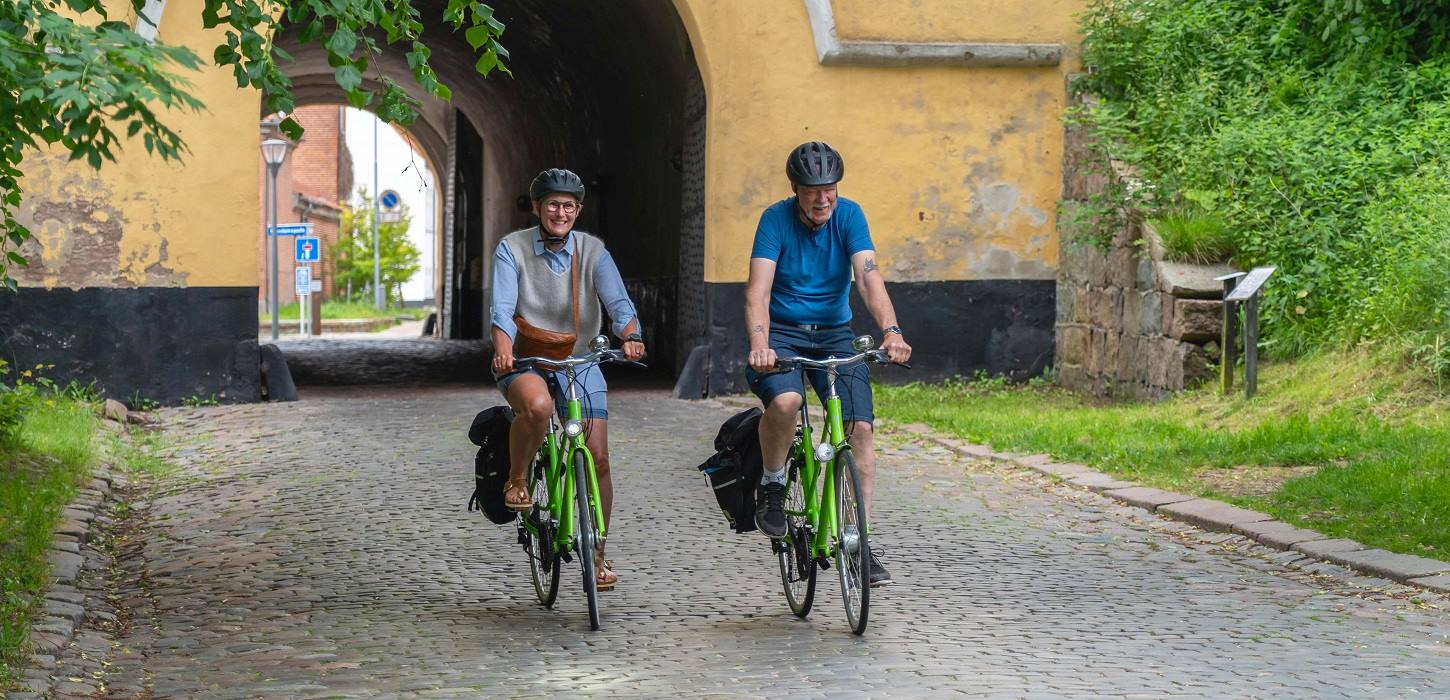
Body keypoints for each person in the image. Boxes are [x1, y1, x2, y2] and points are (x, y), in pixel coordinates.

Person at [743, 141, 912, 587]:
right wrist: (761, 343)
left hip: (835, 336)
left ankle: (859, 542)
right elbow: (758, 290)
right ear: (795, 189)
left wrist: (891, 330)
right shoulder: (774, 220)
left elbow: (868, 276)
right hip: (781, 333)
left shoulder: (850, 216)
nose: (823, 199)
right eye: (813, 190)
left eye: (830, 189)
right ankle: (774, 484)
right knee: (786, 402)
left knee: (860, 430)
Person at [490, 168, 645, 591]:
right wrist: (504, 348)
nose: (561, 212)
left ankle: (597, 552)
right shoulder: (513, 248)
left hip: (580, 361)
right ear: (537, 207)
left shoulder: (593, 250)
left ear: (578, 210)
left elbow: (618, 301)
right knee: (538, 409)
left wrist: (630, 334)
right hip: (527, 358)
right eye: (553, 205)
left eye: (569, 206)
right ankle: (519, 477)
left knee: (598, 457)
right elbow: (502, 308)